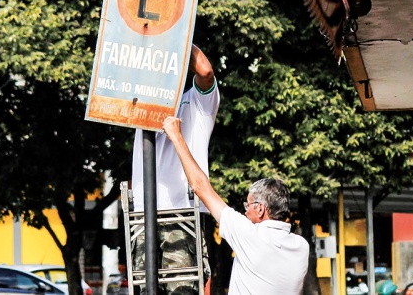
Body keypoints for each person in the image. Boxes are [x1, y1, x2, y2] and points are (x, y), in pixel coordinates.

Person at [161, 116, 309, 295]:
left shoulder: (251, 235)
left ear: (260, 208)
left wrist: (176, 136)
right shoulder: (301, 246)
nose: (245, 211)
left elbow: (201, 187)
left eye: (248, 205)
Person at [130, 44, 220, 295]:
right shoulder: (142, 105)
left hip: (181, 212)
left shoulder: (197, 102)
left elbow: (205, 72)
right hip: (142, 214)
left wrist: (174, 35)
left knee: (182, 289)